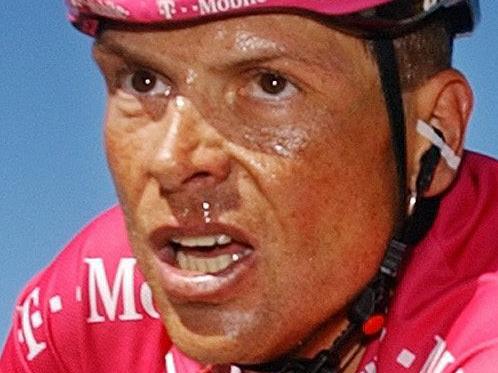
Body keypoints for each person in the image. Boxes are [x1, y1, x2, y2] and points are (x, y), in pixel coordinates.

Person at [2, 0, 498, 372]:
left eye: (270, 85)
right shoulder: (92, 303)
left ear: (433, 135)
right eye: (143, 81)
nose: (171, 160)